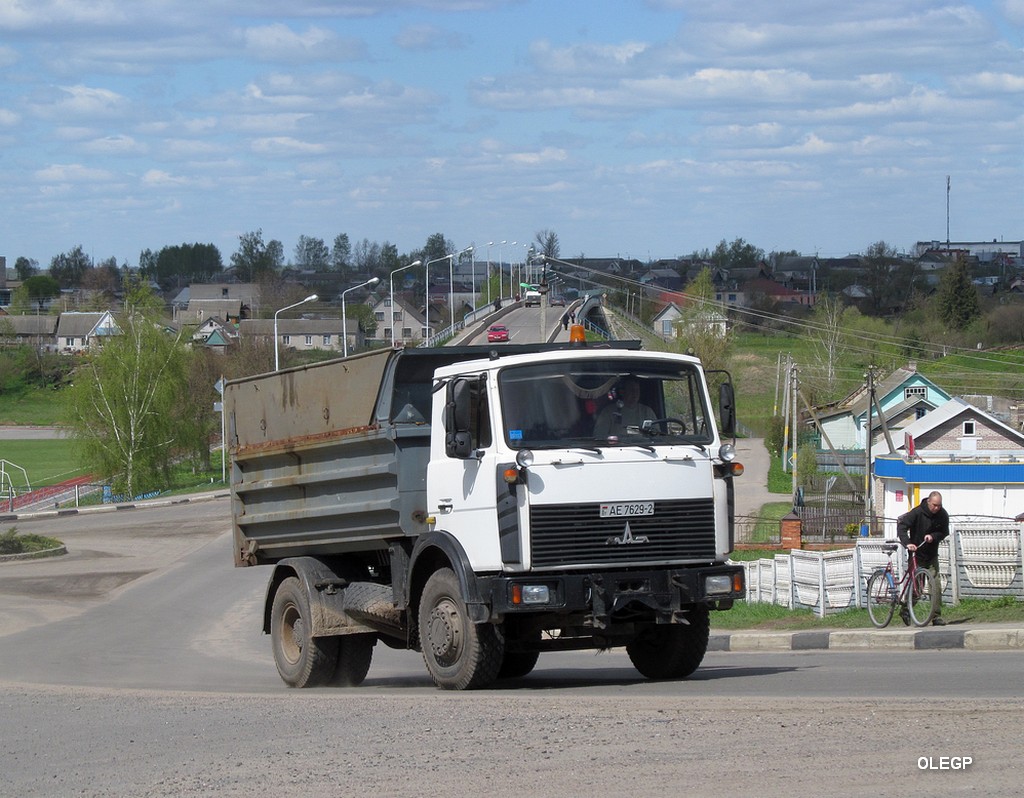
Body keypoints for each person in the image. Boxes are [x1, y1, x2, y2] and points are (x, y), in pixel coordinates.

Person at [896, 491, 949, 625]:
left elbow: (944, 532)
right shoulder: (917, 512)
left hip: (931, 555)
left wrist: (933, 536)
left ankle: (936, 616)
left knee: (935, 584)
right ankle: (906, 609)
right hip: (917, 555)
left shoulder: (942, 515)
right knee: (917, 587)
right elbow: (902, 526)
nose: (937, 508)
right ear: (929, 502)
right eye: (934, 505)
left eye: (939, 505)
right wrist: (908, 543)